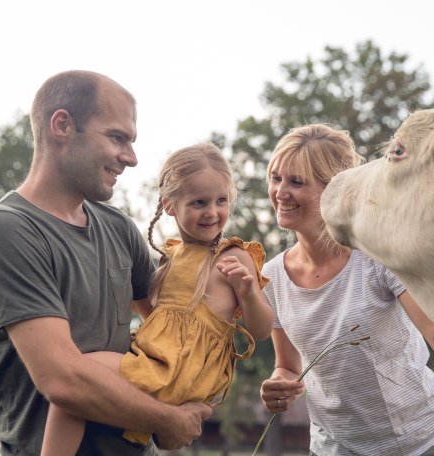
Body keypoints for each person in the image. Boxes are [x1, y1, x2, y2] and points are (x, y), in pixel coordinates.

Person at [0, 70, 213, 456]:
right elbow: (62, 381)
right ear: (62, 125)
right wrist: (167, 419)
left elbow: (172, 330)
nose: (130, 158)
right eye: (117, 137)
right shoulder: (10, 230)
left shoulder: (117, 226)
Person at [40, 141, 275, 455]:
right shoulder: (173, 255)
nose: (212, 212)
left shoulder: (232, 256)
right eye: (199, 202)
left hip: (179, 371)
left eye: (221, 200)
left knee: (77, 378)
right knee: (79, 393)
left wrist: (248, 293)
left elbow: (261, 330)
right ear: (169, 205)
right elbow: (159, 319)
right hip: (162, 361)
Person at [259, 124, 434, 456]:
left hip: (420, 442)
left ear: (335, 188)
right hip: (332, 448)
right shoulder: (272, 277)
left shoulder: (378, 258)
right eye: (276, 179)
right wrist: (280, 385)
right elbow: (288, 365)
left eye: (297, 182)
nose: (281, 192)